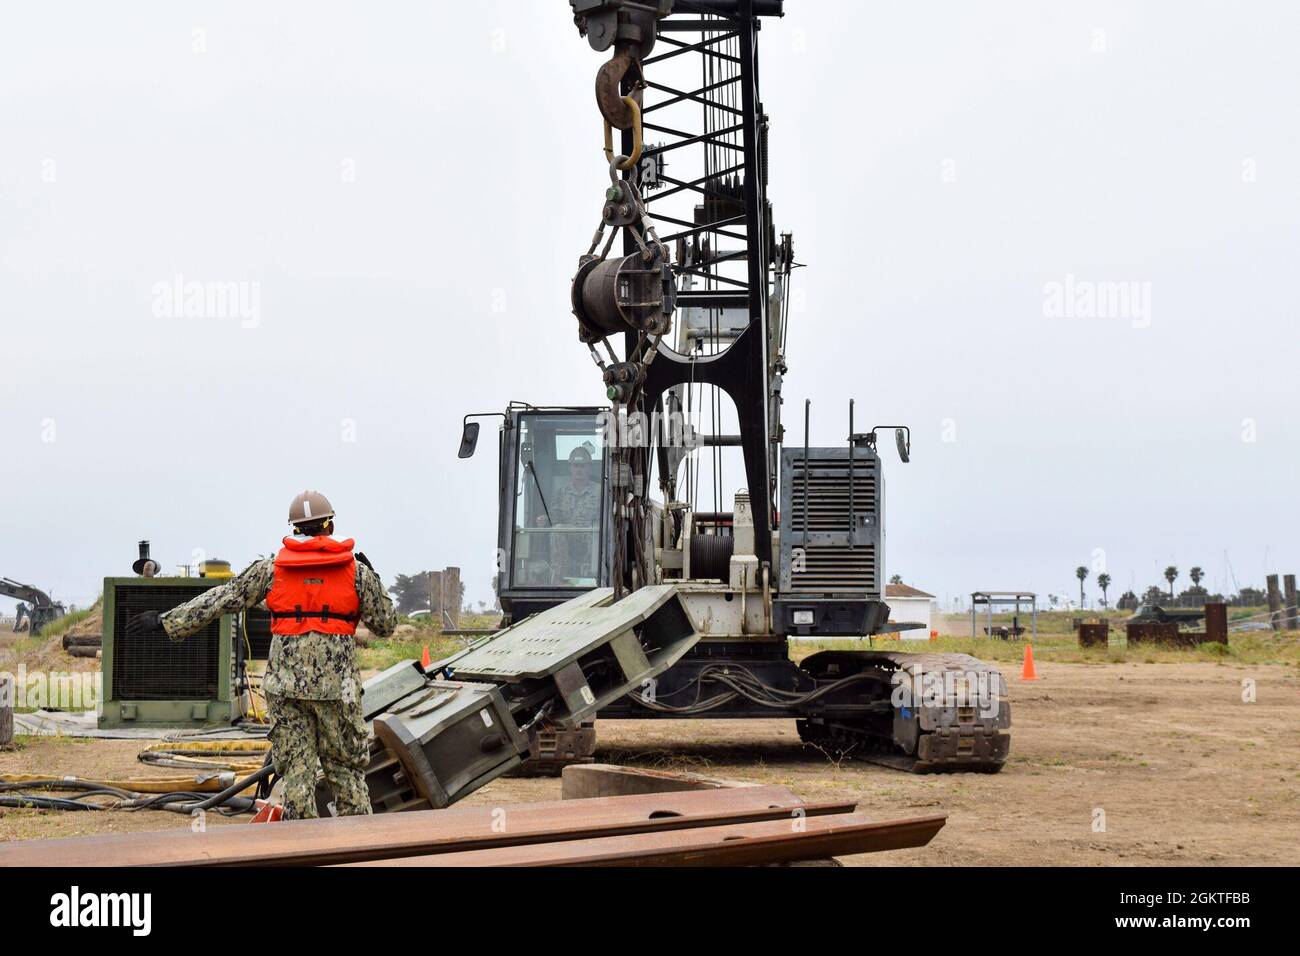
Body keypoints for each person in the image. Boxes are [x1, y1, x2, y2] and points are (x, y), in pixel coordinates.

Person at [125, 491, 397, 819]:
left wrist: (165, 621)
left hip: (285, 689)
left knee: (297, 773)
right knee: (346, 772)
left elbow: (223, 597)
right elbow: (385, 624)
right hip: (338, 691)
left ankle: (301, 852)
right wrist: (374, 577)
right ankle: (358, 849)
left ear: (294, 529)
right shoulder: (356, 573)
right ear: (331, 524)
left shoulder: (270, 571)